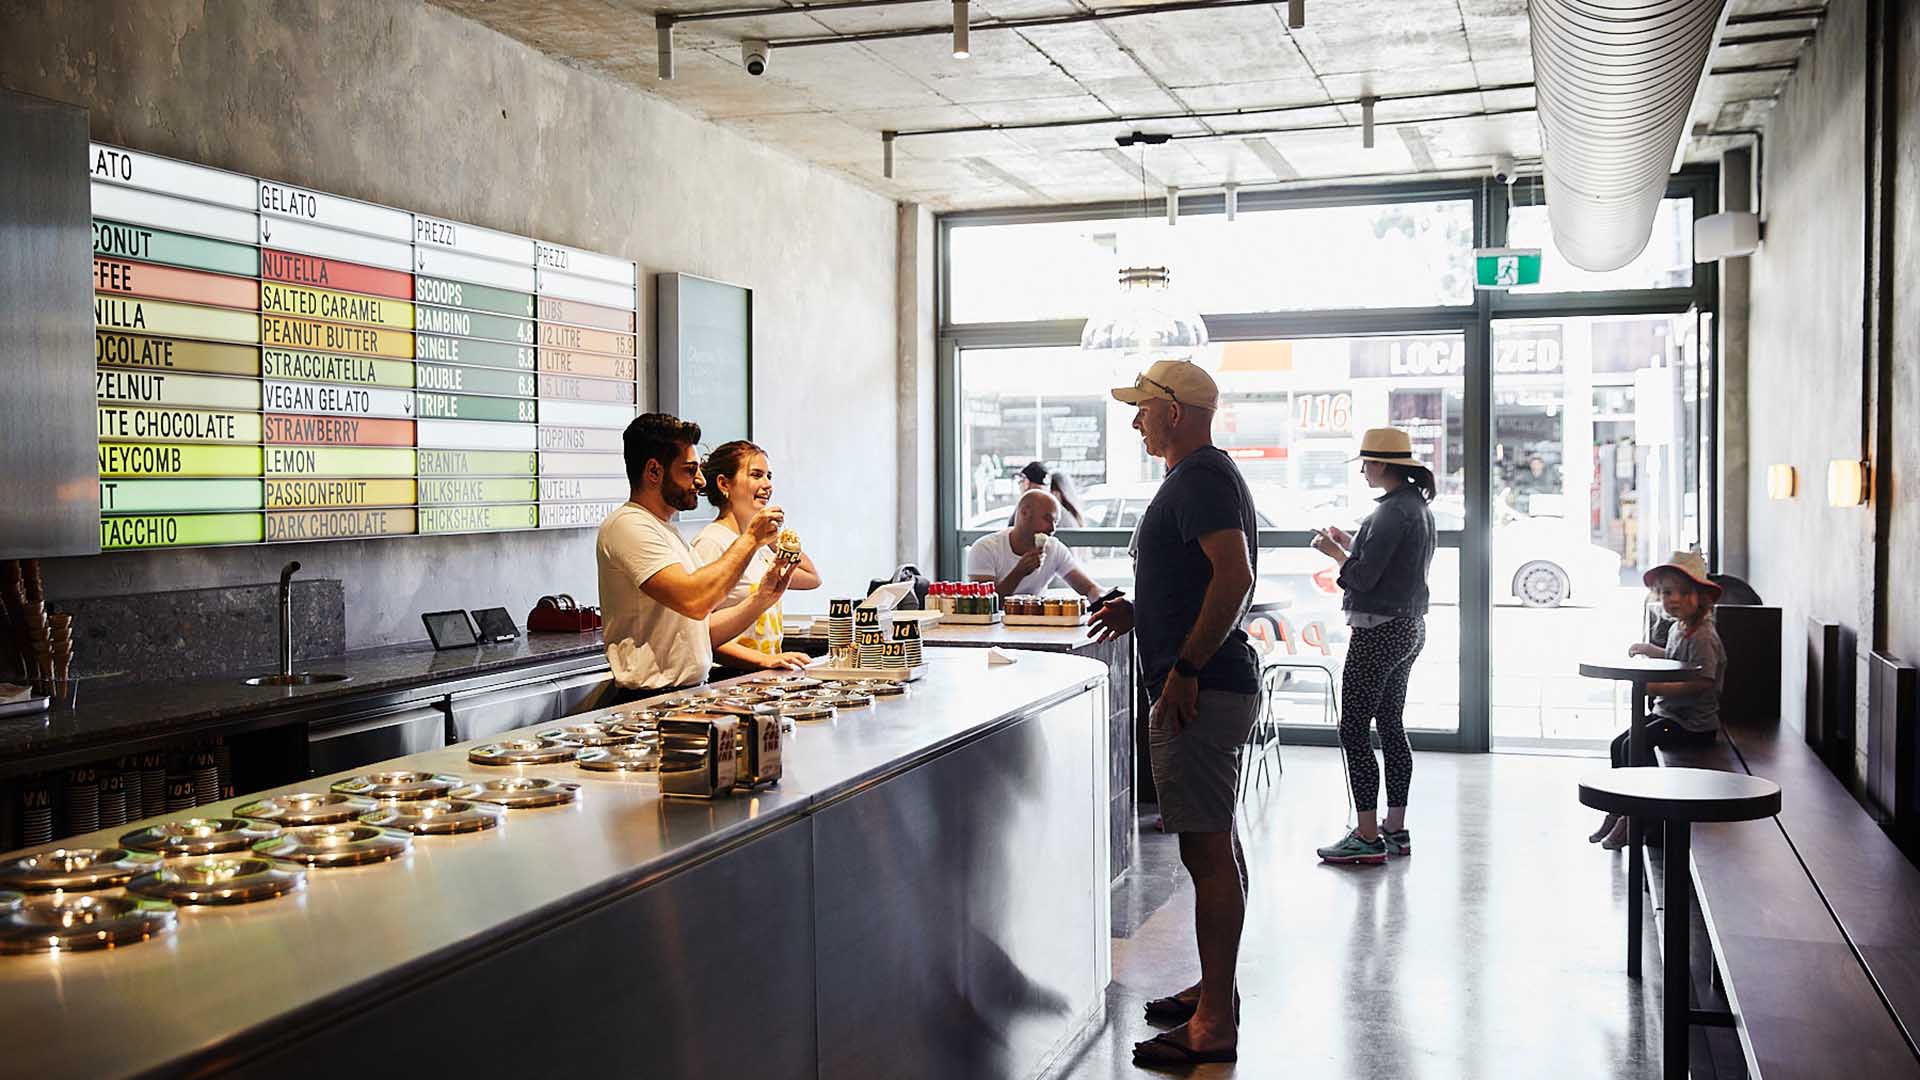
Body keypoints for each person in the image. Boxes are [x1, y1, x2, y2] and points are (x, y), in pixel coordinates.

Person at [1088, 359, 1258, 1068]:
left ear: (1176, 412)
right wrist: (1143, 608)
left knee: (1207, 852)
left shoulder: (1202, 479)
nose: (1135, 421)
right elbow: (1199, 576)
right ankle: (1214, 992)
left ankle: (1214, 1022)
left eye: (1143, 409)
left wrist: (1185, 667)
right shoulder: (1197, 478)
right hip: (1207, 682)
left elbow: (1236, 575)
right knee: (1214, 846)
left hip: (1203, 687)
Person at [596, 413, 792, 705]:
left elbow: (702, 629)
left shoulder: (667, 532)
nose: (701, 481)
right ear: (653, 472)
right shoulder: (627, 525)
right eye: (689, 471)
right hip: (650, 700)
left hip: (687, 695)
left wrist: (762, 598)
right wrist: (750, 539)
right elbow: (695, 600)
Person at [1310, 427, 1438, 866]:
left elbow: (1363, 578)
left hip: (1378, 630)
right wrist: (1348, 545)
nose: (1363, 471)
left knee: (1353, 730)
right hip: (1408, 628)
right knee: (1390, 724)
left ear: (1383, 464)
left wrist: (1333, 552)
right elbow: (1389, 567)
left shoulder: (1388, 513)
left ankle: (1366, 836)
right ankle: (1394, 829)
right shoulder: (1415, 507)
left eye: (1366, 463)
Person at [1592, 551, 1725, 849]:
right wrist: (1654, 651)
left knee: (1635, 744)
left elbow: (1703, 680)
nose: (1673, 599)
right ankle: (1620, 805)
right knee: (1620, 744)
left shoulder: (1703, 636)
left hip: (1692, 725)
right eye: (1666, 592)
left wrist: (1658, 687)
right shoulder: (1680, 628)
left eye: (1683, 592)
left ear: (1701, 597)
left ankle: (1636, 816)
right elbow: (1679, 660)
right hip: (1671, 715)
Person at [691, 439, 820, 672]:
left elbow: (811, 578)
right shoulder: (711, 542)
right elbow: (699, 631)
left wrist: (775, 538)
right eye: (756, 475)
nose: (767, 484)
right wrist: (762, 660)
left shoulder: (758, 545)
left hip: (764, 673)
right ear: (724, 484)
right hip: (731, 674)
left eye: (769, 476)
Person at [967, 489, 1105, 601]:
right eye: (1047, 519)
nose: (1052, 528)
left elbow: (1089, 588)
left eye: (1055, 522)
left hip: (1037, 629)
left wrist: (1104, 599)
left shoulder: (1054, 549)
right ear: (1024, 513)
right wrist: (1019, 572)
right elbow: (983, 605)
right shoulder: (985, 548)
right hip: (994, 631)